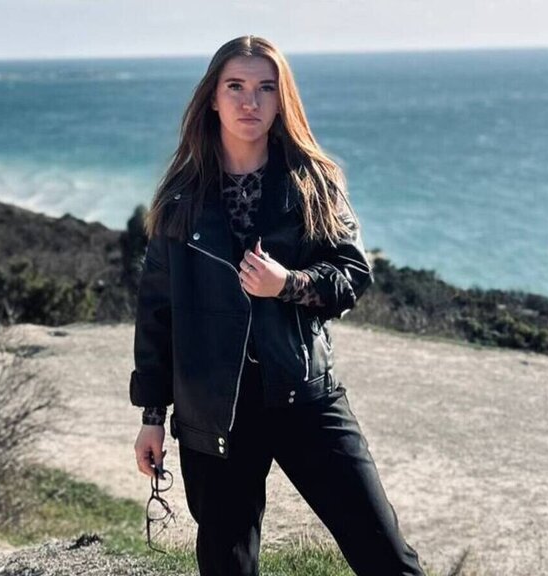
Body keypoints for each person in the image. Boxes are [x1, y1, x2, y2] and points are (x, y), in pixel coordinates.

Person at [129, 35, 427, 576]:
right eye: (236, 87)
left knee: (386, 556)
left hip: (305, 395)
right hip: (214, 412)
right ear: (213, 98)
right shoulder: (180, 197)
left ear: (281, 98)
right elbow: (157, 314)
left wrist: (288, 284)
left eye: (266, 88)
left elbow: (352, 276)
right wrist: (153, 416)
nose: (250, 101)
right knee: (228, 566)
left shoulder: (314, 181)